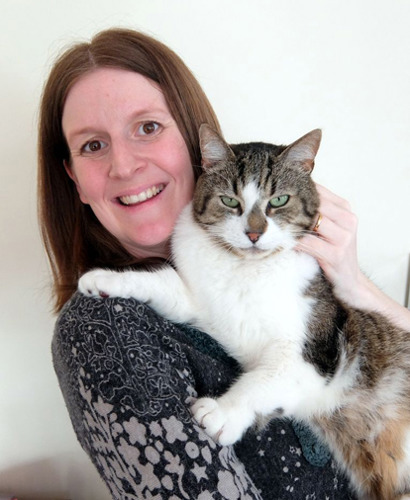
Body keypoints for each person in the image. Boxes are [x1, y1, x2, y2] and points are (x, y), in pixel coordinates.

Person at [38, 28, 410, 500]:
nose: (124, 166)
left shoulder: (265, 267)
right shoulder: (103, 326)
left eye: (147, 127)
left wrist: (357, 289)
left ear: (195, 143)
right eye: (93, 145)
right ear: (74, 179)